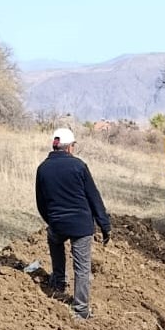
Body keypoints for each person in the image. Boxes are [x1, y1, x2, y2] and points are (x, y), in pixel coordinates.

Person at [35, 127, 111, 319]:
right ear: (69, 147)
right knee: (82, 268)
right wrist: (105, 225)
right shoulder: (79, 166)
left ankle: (59, 282)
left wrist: (51, 220)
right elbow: (94, 198)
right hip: (81, 226)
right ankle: (81, 310)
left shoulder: (42, 168)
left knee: (55, 240)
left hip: (58, 223)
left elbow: (41, 202)